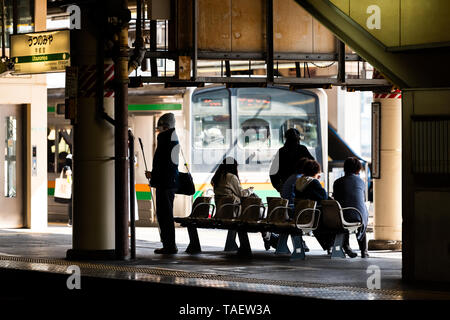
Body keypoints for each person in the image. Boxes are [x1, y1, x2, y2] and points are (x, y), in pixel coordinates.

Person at [145, 113, 179, 254]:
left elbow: (164, 165)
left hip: (164, 184)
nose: (158, 131)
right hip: (169, 183)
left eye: (159, 128)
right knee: (166, 214)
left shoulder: (165, 139)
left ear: (165, 127)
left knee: (164, 215)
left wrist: (154, 176)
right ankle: (169, 244)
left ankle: (169, 245)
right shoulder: (173, 139)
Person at [333, 157, 370, 258]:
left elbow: (337, 199)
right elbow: (361, 199)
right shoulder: (361, 182)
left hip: (343, 216)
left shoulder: (337, 182)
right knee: (361, 218)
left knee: (343, 220)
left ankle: (346, 247)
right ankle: (364, 251)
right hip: (359, 216)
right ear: (358, 169)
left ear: (345, 168)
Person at [295, 160, 334, 253]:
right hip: (312, 215)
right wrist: (317, 180)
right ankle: (331, 245)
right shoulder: (313, 182)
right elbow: (323, 197)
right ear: (316, 172)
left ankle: (329, 246)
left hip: (301, 214)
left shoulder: (299, 182)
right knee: (330, 221)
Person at [269, 128, 314, 193]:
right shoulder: (302, 149)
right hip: (302, 188)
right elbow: (313, 166)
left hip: (286, 187)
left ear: (286, 139)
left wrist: (278, 187)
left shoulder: (282, 151)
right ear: (298, 139)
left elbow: (272, 172)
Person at [63, 154, 73, 226]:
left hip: (70, 187)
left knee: (70, 204)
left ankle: (71, 220)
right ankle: (71, 220)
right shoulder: (70, 156)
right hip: (71, 187)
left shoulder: (67, 166)